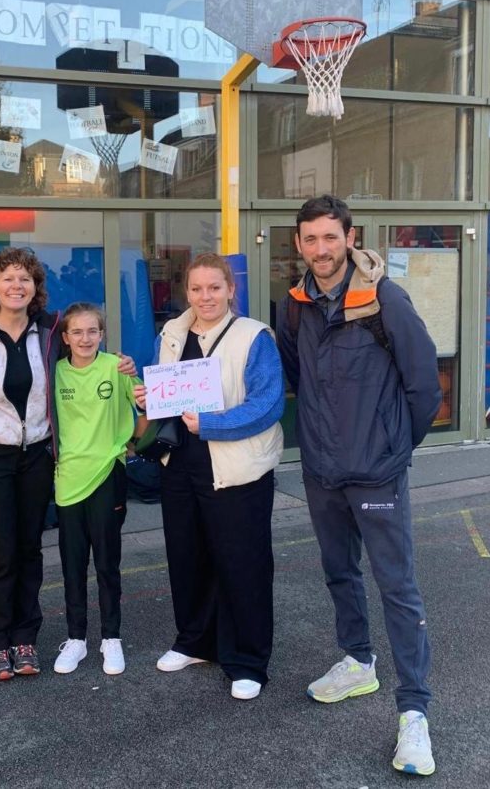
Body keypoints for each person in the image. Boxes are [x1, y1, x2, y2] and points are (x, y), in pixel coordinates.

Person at [276, 195, 442, 776]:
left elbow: (424, 387)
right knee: (339, 571)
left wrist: (393, 449)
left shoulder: (384, 299)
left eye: (330, 237)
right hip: (322, 472)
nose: (320, 249)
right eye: (310, 239)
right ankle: (357, 660)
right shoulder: (294, 307)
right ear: (298, 244)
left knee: (397, 587)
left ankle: (415, 713)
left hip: (376, 470)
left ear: (351, 237)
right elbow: (298, 380)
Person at [0, 248, 135, 682]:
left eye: (26, 279)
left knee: (30, 547)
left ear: (36, 288)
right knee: (0, 553)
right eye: (8, 278)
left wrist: (123, 366)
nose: (17, 286)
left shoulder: (51, 331)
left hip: (37, 454)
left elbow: (86, 357)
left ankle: (25, 637)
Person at [134, 252, 284, 701]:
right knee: (188, 557)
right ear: (187, 292)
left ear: (230, 289)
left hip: (237, 469)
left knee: (243, 565)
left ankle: (248, 661)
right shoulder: (172, 333)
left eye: (214, 288)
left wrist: (212, 424)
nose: (205, 297)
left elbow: (268, 403)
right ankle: (195, 641)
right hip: (181, 465)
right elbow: (167, 399)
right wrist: (148, 400)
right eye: (197, 289)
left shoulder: (254, 337)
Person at [52, 303, 144, 677]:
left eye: (93, 331)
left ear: (102, 335)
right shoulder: (54, 373)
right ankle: (76, 638)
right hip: (67, 479)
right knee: (73, 565)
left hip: (108, 473)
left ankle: (111, 637)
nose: (85, 338)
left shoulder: (117, 368)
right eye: (77, 332)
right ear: (65, 338)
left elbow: (145, 405)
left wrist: (144, 390)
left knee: (107, 562)